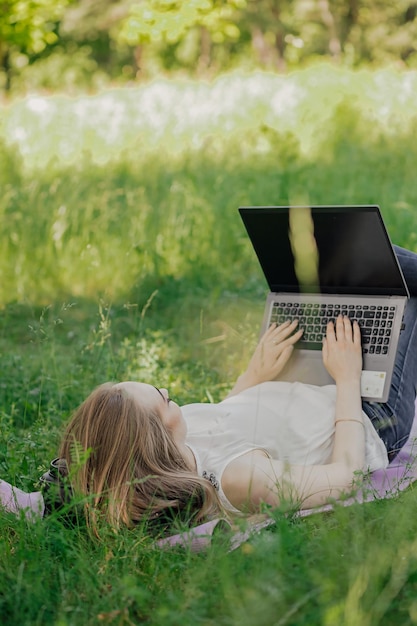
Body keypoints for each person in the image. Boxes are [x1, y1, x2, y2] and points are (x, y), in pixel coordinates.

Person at [58, 245, 417, 532]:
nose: (168, 391)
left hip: (321, 386)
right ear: (156, 438)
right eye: (162, 398)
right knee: (407, 296)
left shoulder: (178, 449)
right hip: (369, 417)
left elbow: (225, 421)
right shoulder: (240, 481)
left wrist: (255, 372)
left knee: (354, 255)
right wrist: (348, 377)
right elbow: (345, 478)